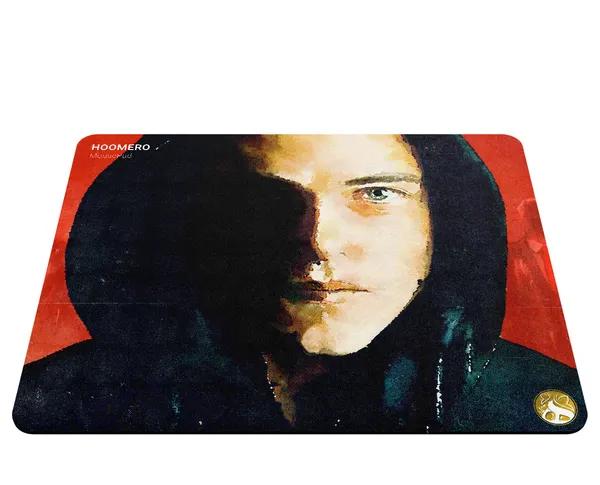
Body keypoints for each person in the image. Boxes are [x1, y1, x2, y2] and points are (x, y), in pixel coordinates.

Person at [13, 135, 587, 433]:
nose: (319, 242)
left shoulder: (534, 404)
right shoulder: (55, 402)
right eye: (260, 199)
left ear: (446, 218)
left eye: (377, 194)